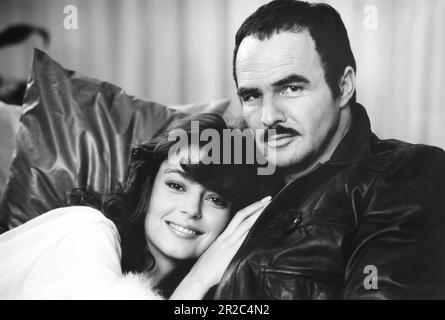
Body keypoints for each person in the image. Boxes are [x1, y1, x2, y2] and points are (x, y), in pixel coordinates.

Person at [214, 0, 445, 299]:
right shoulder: (230, 176)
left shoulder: (407, 173)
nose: (268, 116)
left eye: (291, 88)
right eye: (252, 96)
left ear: (344, 86)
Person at [0, 113, 280, 299]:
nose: (192, 209)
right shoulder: (87, 231)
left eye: (216, 199)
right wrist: (197, 280)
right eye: (176, 185)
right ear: (149, 187)